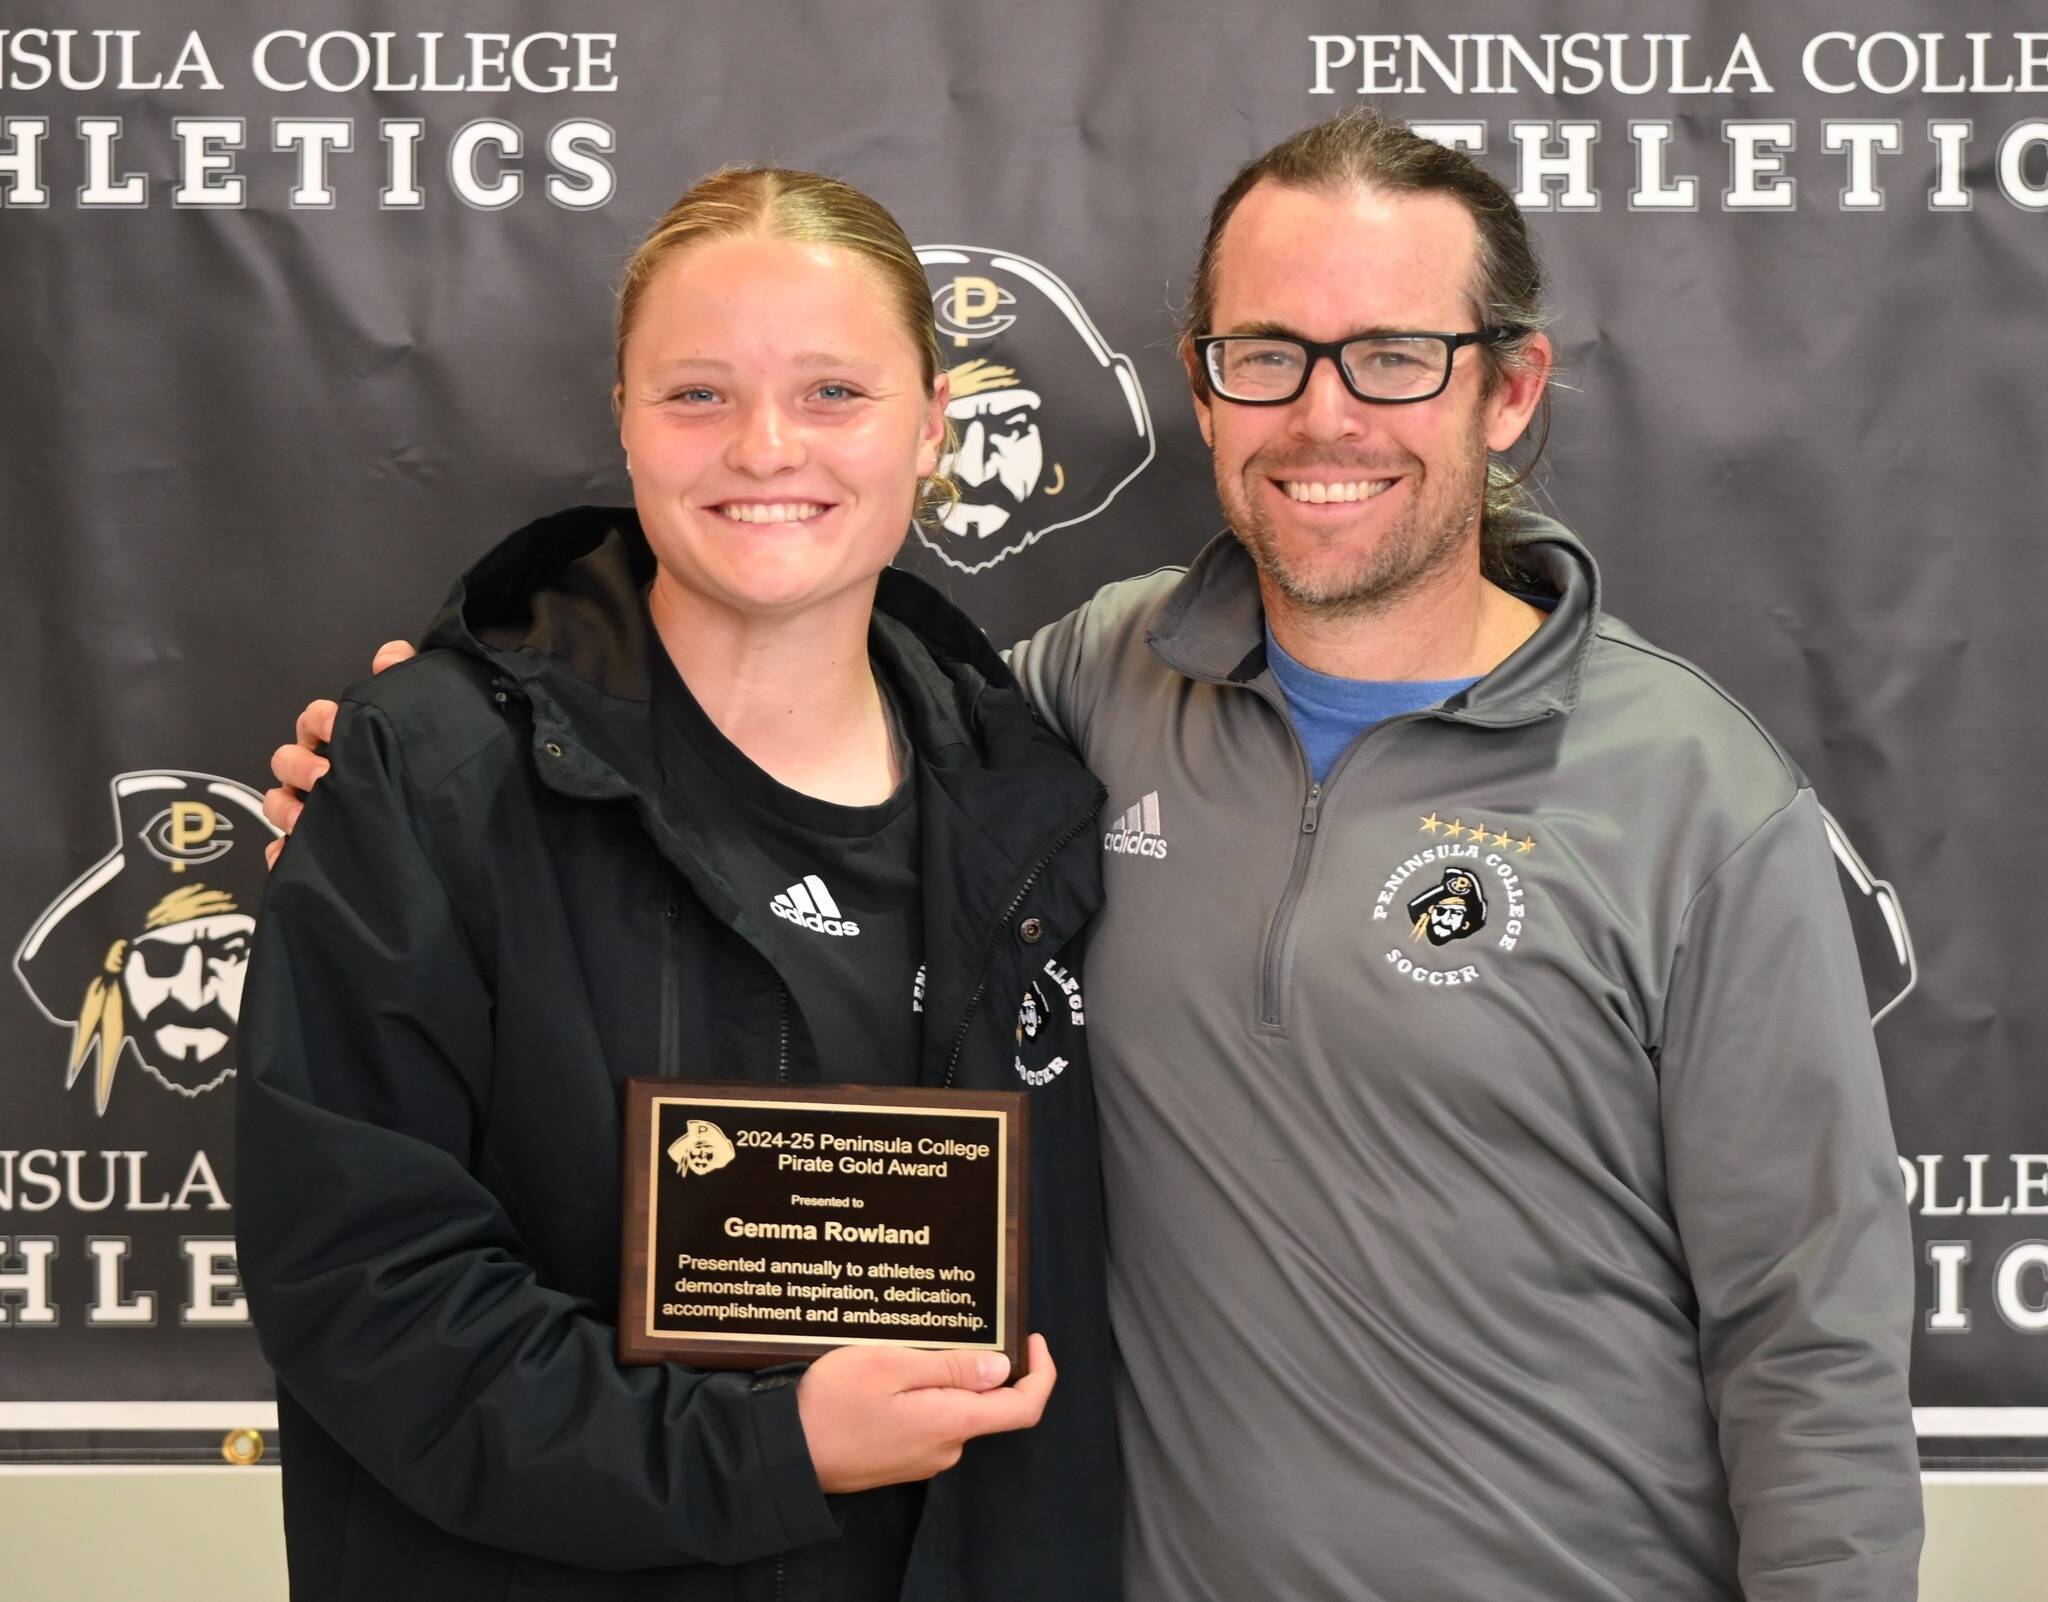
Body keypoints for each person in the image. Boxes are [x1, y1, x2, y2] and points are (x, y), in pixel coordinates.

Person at [269, 112, 1922, 1601]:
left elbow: (1812, 1344)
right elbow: (747, 706)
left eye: (1397, 355)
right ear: (1204, 387)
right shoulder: (1081, 698)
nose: (1326, 412)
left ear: (1509, 386)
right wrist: (424, 764)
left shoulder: (1697, 795)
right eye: (1268, 353)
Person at [238, 167, 1121, 1602]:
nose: (766, 448)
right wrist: (767, 1445)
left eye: (836, 391)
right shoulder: (434, 773)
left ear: (933, 426)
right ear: (625, 420)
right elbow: (366, 1289)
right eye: (698, 394)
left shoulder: (1030, 796)